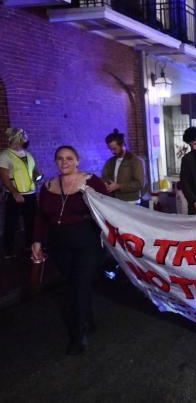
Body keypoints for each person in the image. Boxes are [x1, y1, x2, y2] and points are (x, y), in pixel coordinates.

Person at [31, 146, 108, 355]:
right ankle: (88, 318)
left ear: (77, 160)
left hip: (86, 241)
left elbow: (109, 207)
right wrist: (37, 241)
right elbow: (40, 216)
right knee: (73, 283)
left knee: (79, 285)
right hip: (58, 242)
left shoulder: (91, 182)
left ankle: (78, 334)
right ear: (56, 162)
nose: (64, 162)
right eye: (59, 158)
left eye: (69, 158)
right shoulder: (48, 186)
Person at [0, 128, 40, 260]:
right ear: (17, 137)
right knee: (11, 223)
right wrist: (14, 193)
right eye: (24, 135)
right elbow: (4, 176)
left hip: (31, 194)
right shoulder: (5, 155)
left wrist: (37, 175)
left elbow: (33, 170)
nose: (26, 137)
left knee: (31, 221)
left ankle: (29, 244)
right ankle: (8, 249)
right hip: (14, 195)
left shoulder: (27, 154)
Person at [101, 129, 145, 204]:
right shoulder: (110, 161)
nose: (112, 152)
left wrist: (119, 186)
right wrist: (104, 183)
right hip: (115, 200)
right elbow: (104, 177)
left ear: (122, 145)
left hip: (131, 202)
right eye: (110, 149)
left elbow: (139, 184)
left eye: (114, 149)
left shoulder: (135, 161)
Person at [179, 127, 196, 215]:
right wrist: (194, 201)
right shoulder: (187, 159)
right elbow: (184, 183)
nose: (194, 147)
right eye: (191, 145)